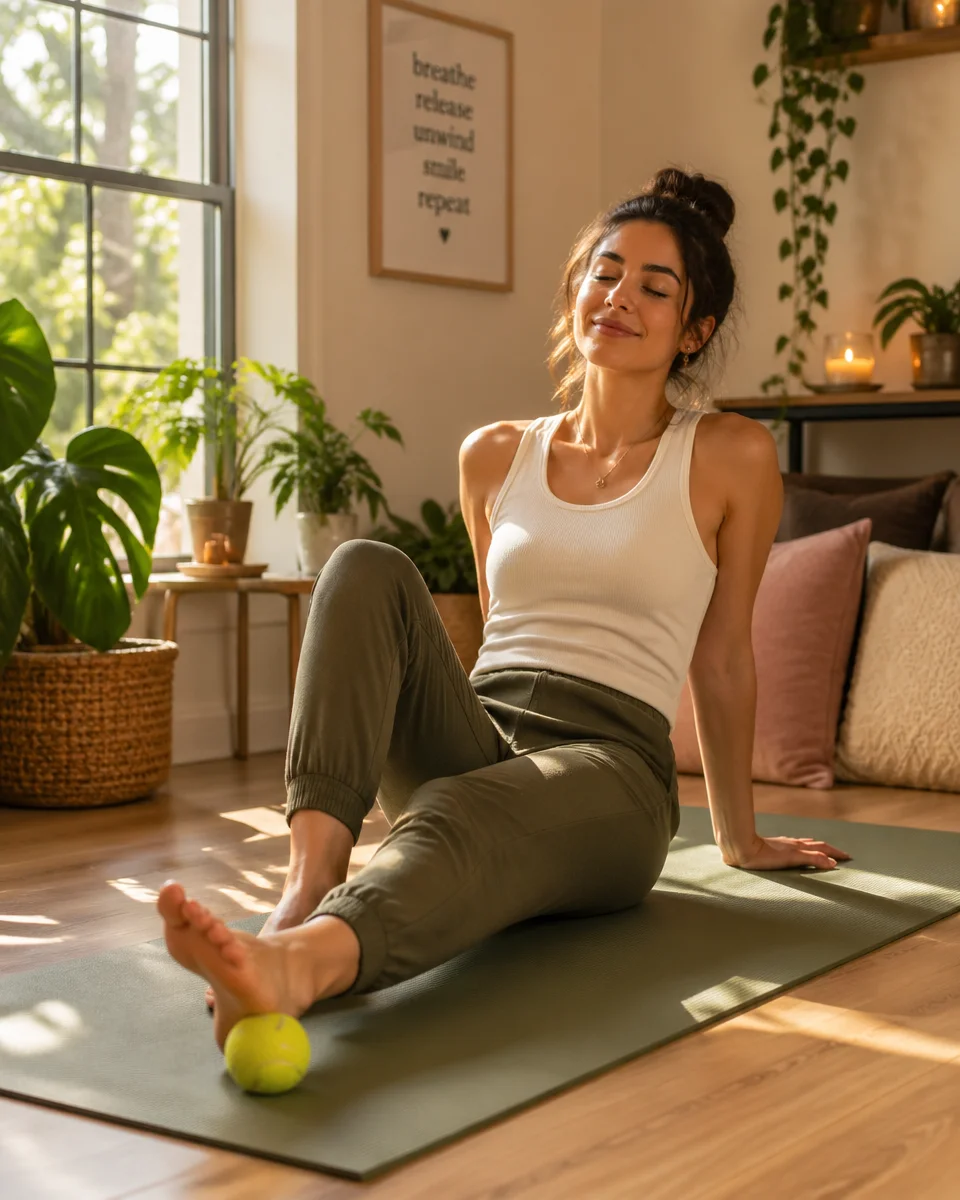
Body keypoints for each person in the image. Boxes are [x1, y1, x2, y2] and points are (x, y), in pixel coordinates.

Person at [158, 168, 851, 1051]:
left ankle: (299, 969)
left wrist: (739, 838)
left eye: (654, 286)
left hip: (613, 773)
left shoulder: (729, 455)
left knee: (461, 815)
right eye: (605, 272)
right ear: (575, 291)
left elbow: (721, 660)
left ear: (695, 330)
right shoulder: (493, 456)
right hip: (482, 738)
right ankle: (303, 892)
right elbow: (495, 633)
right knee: (363, 564)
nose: (619, 296)